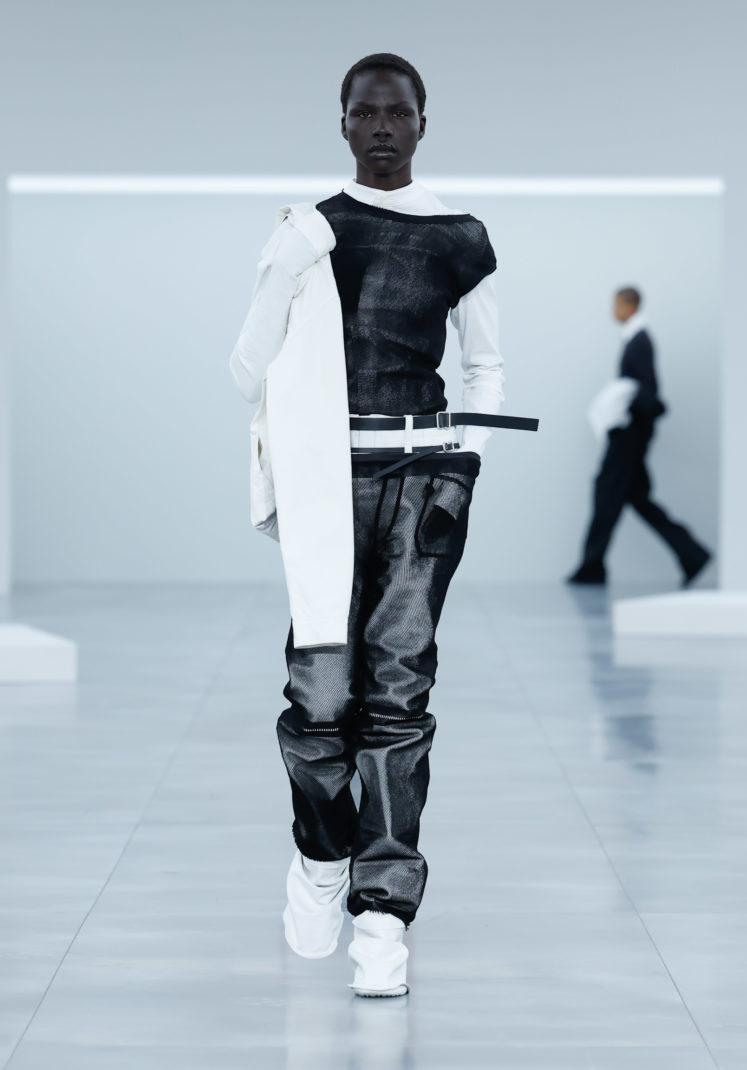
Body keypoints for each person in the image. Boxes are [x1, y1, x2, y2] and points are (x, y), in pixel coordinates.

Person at [228, 52, 520, 997]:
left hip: (424, 480)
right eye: (366, 112)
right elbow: (245, 370)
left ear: (423, 123)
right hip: (326, 479)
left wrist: (465, 468)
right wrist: (285, 266)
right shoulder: (312, 231)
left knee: (400, 692)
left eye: (399, 112)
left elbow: (485, 366)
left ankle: (383, 914)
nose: (383, 126)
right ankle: (322, 852)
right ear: (344, 123)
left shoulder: (461, 237)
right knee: (320, 694)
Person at [567, 286, 712, 587]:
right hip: (632, 432)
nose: (613, 311)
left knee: (607, 492)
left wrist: (627, 416)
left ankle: (592, 567)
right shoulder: (636, 338)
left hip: (629, 434)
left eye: (616, 305)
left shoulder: (639, 340)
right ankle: (692, 554)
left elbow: (648, 390)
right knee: (636, 497)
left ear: (629, 305)